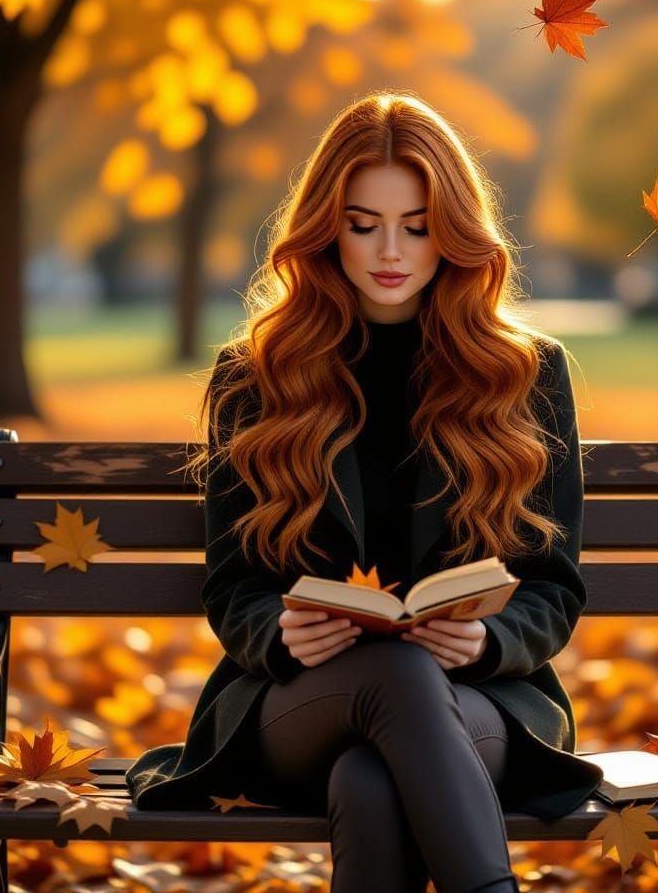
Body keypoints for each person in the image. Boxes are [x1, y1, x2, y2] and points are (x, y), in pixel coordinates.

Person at [125, 92, 604, 893]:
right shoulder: (257, 375)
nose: (390, 250)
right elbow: (232, 584)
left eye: (416, 226)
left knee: (370, 780)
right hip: (297, 700)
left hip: (481, 699)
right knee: (395, 675)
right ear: (326, 227)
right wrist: (278, 632)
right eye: (363, 224)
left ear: (453, 231)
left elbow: (553, 587)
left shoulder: (524, 372)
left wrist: (488, 642)